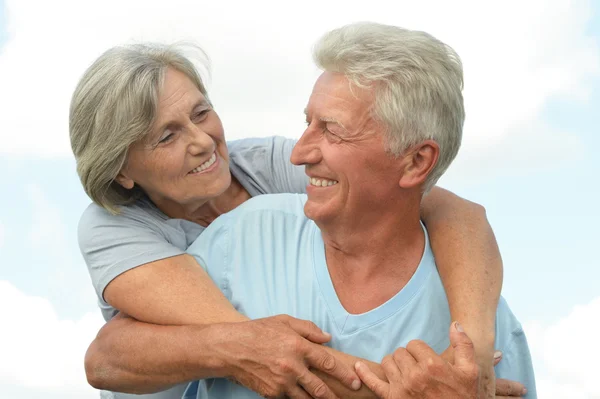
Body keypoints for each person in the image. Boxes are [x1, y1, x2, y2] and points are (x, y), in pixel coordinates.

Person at [71, 33, 508, 399]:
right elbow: (267, 350)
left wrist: (472, 353)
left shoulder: (266, 164)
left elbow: (441, 205)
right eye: (167, 136)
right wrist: (423, 389)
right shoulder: (112, 228)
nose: (202, 141)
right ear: (121, 170)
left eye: (201, 113)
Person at [175, 22, 536, 398]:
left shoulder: (483, 336)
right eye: (308, 122)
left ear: (416, 161)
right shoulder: (241, 236)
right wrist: (237, 349)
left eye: (332, 130)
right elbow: (112, 357)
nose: (299, 154)